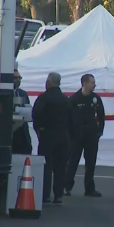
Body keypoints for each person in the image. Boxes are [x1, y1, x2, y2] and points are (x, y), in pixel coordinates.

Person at [32, 72, 72, 204]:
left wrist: (39, 129)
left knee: (46, 166)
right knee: (60, 167)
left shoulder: (44, 98)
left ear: (48, 82)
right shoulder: (66, 99)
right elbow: (72, 119)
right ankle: (58, 194)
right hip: (63, 136)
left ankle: (45, 195)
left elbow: (36, 114)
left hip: (48, 136)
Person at [64, 74, 105, 197]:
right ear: (85, 83)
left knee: (91, 162)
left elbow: (101, 116)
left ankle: (89, 188)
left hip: (91, 135)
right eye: (92, 82)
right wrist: (70, 134)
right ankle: (66, 186)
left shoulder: (96, 98)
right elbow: (68, 118)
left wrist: (99, 131)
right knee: (72, 161)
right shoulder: (74, 99)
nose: (94, 84)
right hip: (76, 135)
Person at [11, 69, 33, 155]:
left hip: (22, 127)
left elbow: (27, 106)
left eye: (19, 78)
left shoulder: (23, 93)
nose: (18, 80)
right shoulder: (6, 93)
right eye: (15, 78)